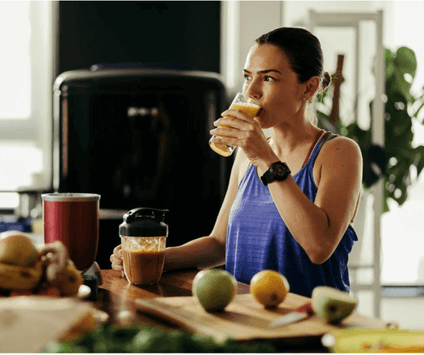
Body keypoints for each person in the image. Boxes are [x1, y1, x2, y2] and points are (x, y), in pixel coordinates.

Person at [110, 27, 362, 298]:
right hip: (246, 318)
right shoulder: (247, 155)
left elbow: (319, 247)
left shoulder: (338, 152)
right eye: (247, 77)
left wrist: (264, 158)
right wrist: (152, 257)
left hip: (308, 322)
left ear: (309, 87)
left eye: (268, 78)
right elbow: (220, 243)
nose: (251, 91)